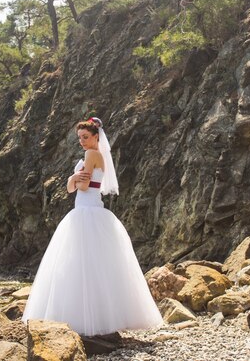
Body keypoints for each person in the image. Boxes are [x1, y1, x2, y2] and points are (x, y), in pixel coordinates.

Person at [21, 117, 164, 337]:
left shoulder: (92, 154)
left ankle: (84, 321)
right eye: (79, 138)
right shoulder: (93, 155)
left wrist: (75, 179)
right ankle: (100, 318)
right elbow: (71, 188)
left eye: (85, 137)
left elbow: (83, 185)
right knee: (94, 265)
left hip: (87, 212)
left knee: (80, 264)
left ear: (96, 137)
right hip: (86, 210)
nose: (82, 141)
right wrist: (73, 178)